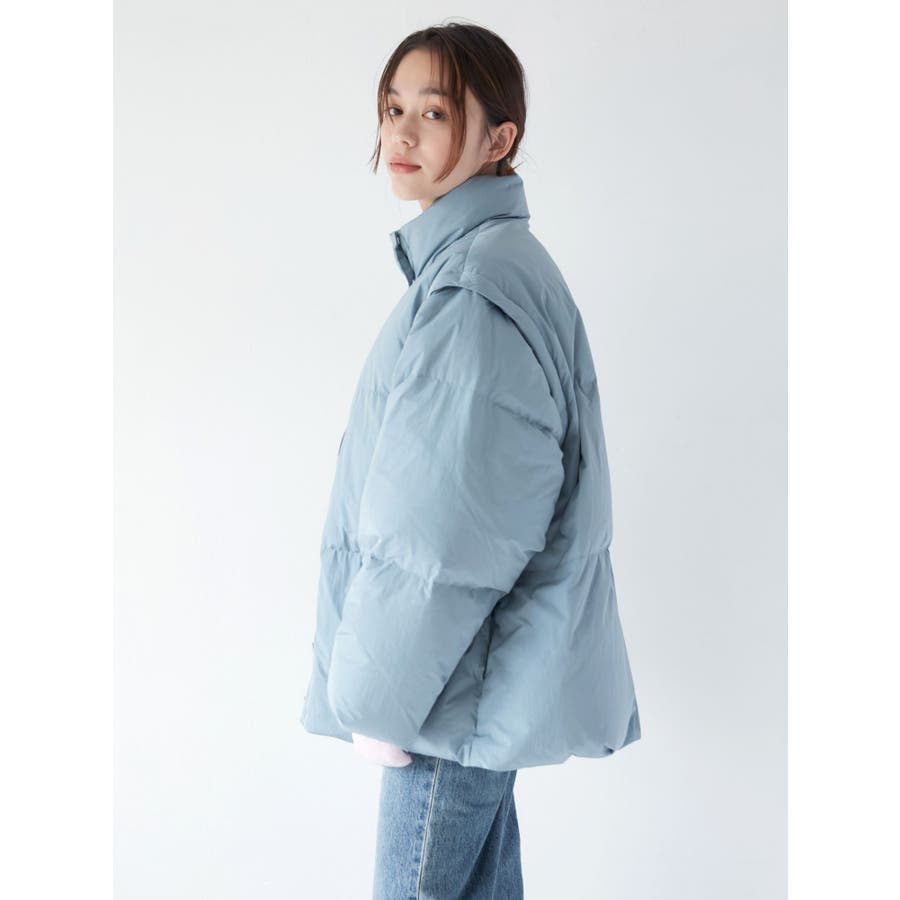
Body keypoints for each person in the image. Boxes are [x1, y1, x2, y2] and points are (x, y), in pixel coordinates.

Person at [300, 21, 642, 899]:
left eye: (435, 111)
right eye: (393, 108)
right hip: (463, 689)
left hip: (438, 700)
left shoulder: (473, 290)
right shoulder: (486, 266)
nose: (403, 134)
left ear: (499, 138)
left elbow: (446, 525)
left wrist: (380, 700)